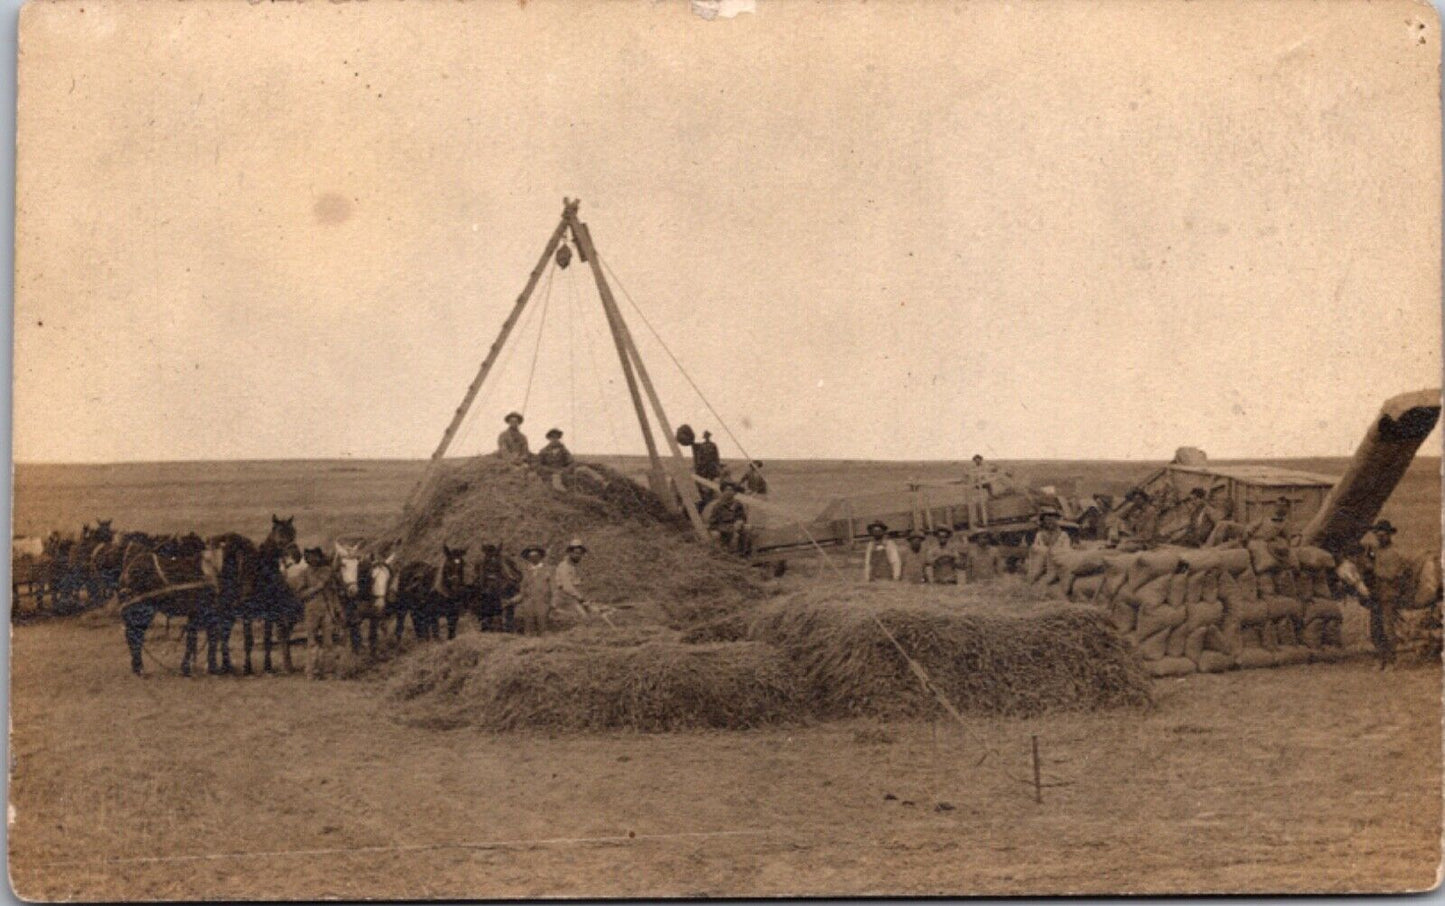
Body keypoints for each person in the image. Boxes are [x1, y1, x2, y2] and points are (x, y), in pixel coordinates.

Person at [1364, 520, 1408, 669]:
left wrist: (1373, 569)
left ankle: (1392, 660)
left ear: (1389, 535)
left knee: (1388, 628)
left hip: (1389, 594)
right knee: (1375, 629)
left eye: (1383, 535)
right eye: (1378, 535)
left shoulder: (1395, 553)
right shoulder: (1375, 551)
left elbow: (1393, 574)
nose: (1380, 538)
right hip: (1376, 595)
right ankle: (1381, 658)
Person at [702, 482, 750, 554]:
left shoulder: (738, 504)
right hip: (722, 527)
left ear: (734, 492)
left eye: (731, 490)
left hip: (735, 526)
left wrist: (740, 521)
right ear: (723, 492)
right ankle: (725, 553)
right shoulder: (718, 506)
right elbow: (712, 522)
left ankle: (743, 552)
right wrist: (720, 528)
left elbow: (742, 516)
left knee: (746, 528)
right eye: (727, 490)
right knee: (719, 535)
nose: (729, 492)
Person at [515, 545, 552, 635]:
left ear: (540, 557)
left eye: (536, 556)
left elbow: (554, 587)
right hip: (529, 604)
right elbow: (522, 590)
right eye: (530, 556)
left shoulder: (548, 570)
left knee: (543, 629)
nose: (533, 558)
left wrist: (553, 603)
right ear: (528, 558)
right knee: (528, 630)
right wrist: (514, 600)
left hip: (543, 603)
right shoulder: (525, 571)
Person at [1027, 506, 1071, 582]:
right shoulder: (1040, 535)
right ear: (1043, 522)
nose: (1050, 522)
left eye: (1052, 519)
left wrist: (1053, 553)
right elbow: (1037, 553)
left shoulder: (1063, 535)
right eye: (1047, 520)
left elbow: (1066, 550)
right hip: (1043, 566)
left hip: (1057, 563)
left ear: (1056, 521)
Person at [551, 538, 590, 620]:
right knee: (583, 618)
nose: (578, 556)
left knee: (590, 614)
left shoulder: (574, 567)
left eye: (580, 554)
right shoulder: (564, 566)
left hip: (573, 598)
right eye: (576, 553)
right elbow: (567, 587)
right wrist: (581, 598)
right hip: (564, 598)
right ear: (570, 553)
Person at [691, 430, 722, 507]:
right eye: (706, 436)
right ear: (704, 438)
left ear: (709, 437)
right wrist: (699, 465)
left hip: (712, 466)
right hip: (704, 466)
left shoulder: (713, 445)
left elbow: (716, 456)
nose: (707, 438)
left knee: (712, 481)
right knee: (703, 482)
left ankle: (710, 495)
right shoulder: (702, 446)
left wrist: (717, 465)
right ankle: (703, 496)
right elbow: (699, 457)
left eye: (708, 436)